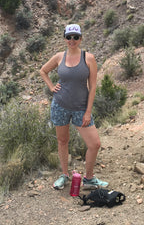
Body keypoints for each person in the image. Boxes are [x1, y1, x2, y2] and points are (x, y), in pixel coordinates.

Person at [40, 24, 108, 190]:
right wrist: (51, 87)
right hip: (60, 105)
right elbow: (43, 71)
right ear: (65, 39)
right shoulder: (59, 57)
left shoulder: (89, 58)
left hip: (81, 108)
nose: (72, 40)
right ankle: (64, 175)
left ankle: (89, 178)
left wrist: (88, 112)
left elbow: (92, 87)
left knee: (94, 144)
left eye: (75, 37)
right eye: (69, 37)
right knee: (63, 141)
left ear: (81, 39)